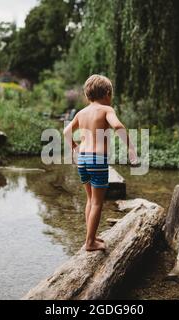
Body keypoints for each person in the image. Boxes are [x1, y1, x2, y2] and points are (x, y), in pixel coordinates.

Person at [63, 74, 138, 251]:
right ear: (106, 93)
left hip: (82, 158)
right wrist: (131, 148)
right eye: (110, 95)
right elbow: (118, 126)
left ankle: (90, 236)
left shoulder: (81, 113)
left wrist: (74, 146)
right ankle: (90, 242)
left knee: (90, 199)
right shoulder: (106, 110)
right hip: (97, 159)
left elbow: (66, 131)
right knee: (97, 202)